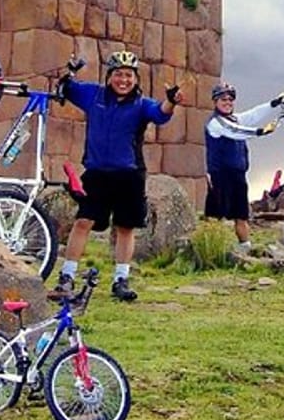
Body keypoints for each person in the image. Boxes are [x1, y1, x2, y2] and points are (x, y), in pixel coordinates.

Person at [51, 49, 184, 302]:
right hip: (97, 173)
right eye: (119, 74)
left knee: (125, 228)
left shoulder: (141, 104)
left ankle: (120, 280)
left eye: (129, 76)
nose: (124, 80)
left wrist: (171, 101)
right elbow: (67, 88)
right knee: (83, 222)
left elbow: (160, 114)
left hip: (129, 174)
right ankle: (67, 277)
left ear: (136, 79)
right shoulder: (94, 95)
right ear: (110, 76)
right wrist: (69, 71)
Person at [204, 82, 284, 251]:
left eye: (230, 99)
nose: (227, 102)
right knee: (215, 216)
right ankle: (209, 249)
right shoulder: (216, 123)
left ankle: (245, 248)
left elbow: (254, 114)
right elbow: (235, 131)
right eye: (223, 99)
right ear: (215, 102)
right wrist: (260, 132)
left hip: (238, 174)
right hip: (220, 175)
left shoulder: (237, 118)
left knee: (240, 215)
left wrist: (273, 104)